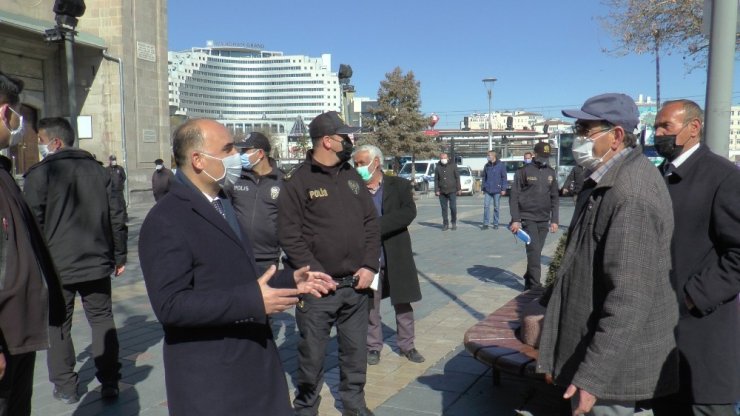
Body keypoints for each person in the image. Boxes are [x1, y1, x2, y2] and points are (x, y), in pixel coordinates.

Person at [138, 118, 336, 416]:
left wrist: (289, 279)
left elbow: (237, 274)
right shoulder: (167, 218)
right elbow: (171, 305)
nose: (237, 156)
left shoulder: (222, 202)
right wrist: (253, 301)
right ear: (198, 159)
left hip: (255, 369)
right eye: (228, 148)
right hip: (214, 384)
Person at [538, 92, 680, 416]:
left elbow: (628, 300)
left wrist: (592, 378)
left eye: (585, 130)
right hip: (602, 360)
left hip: (614, 376)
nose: (578, 139)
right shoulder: (608, 180)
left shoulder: (630, 194)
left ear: (616, 136)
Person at [278, 111, 380, 416]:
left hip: (356, 286)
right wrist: (315, 271)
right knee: (312, 356)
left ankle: (354, 404)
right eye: (344, 137)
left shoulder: (351, 176)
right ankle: (306, 406)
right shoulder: (298, 181)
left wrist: (369, 265)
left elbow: (371, 224)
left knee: (355, 353)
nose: (350, 142)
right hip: (318, 289)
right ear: (327, 141)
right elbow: (289, 233)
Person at [24, 117, 128, 404]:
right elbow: (117, 217)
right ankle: (109, 381)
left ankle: (66, 385)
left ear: (55, 142)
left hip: (57, 266)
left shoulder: (39, 175)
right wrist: (119, 256)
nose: (40, 147)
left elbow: (31, 225)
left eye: (41, 142)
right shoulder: (101, 172)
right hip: (96, 260)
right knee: (101, 319)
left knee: (58, 324)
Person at [651, 99, 740, 416]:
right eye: (656, 127)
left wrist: (694, 297)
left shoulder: (722, 176)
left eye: (666, 127)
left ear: (693, 127)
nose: (658, 133)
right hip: (662, 337)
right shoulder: (660, 176)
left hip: (702, 334)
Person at [0, 70, 64, 416]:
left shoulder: (3, 171)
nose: (18, 123)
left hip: (16, 334)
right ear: (4, 112)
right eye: (15, 113)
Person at [352, 144, 425, 367]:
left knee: (403, 302)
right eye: (355, 164)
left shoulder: (399, 185)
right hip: (368, 258)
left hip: (396, 252)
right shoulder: (353, 188)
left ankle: (407, 345)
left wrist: (375, 226)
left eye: (361, 163)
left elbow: (408, 213)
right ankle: (373, 347)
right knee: (370, 305)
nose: (358, 168)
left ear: (376, 163)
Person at [226, 132, 284, 274]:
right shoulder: (235, 178)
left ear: (260, 153)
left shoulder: (282, 180)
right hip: (239, 254)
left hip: (269, 258)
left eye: (246, 151)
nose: (241, 155)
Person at [508, 142, 559, 290]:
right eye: (542, 156)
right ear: (535, 154)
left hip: (544, 218)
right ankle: (536, 285)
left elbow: (555, 197)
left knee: (536, 252)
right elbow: (514, 197)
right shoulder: (523, 171)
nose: (544, 159)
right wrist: (516, 219)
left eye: (547, 157)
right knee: (534, 250)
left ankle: (528, 279)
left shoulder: (551, 172)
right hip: (527, 217)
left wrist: (554, 219)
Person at [433, 152, 460, 231]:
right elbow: (436, 179)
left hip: (452, 190)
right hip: (442, 191)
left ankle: (453, 222)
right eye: (441, 158)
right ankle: (445, 224)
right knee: (444, 209)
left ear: (447, 158)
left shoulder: (453, 165)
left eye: (444, 158)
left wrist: (459, 188)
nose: (443, 160)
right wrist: (436, 190)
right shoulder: (438, 167)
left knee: (453, 208)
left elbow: (457, 177)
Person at [481, 150, 507, 229]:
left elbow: (504, 177)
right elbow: (484, 177)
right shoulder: (487, 165)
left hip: (497, 190)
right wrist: (483, 187)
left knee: (496, 207)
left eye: (489, 155)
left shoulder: (501, 165)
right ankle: (486, 223)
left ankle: (496, 223)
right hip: (488, 189)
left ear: (493, 156)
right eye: (487, 155)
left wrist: (503, 189)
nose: (488, 157)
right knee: (486, 206)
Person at [107, 154, 127, 221]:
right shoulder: (107, 169)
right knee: (112, 204)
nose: (114, 161)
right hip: (111, 190)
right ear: (110, 161)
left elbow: (124, 177)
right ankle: (113, 217)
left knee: (121, 203)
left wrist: (121, 184)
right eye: (112, 160)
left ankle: (124, 217)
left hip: (119, 190)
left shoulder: (120, 168)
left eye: (115, 160)